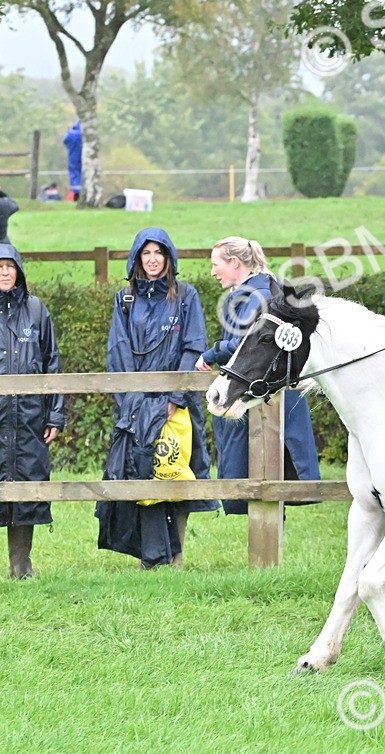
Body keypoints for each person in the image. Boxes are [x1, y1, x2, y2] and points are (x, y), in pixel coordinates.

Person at [95, 228, 219, 568]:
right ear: (137, 258)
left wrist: (174, 398)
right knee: (141, 471)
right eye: (145, 253)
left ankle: (175, 556)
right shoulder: (125, 299)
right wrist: (133, 401)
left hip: (176, 406)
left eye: (158, 253)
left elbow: (193, 346)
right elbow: (117, 350)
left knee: (176, 471)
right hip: (136, 405)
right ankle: (147, 557)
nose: (152, 259)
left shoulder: (186, 297)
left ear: (169, 258)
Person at [197, 236, 321, 514]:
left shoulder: (258, 296)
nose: (213, 271)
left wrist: (211, 353)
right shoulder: (251, 292)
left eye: (216, 265)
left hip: (263, 394)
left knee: (266, 465)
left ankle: (269, 540)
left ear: (235, 263)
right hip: (253, 389)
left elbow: (249, 345)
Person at [0, 244, 65, 579]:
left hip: (28, 419)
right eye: (0, 265)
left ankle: (21, 566)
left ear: (20, 270)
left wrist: (55, 415)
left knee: (27, 488)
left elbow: (52, 361)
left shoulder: (37, 310)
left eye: (10, 265)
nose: (5, 271)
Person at [63, 121, 82, 201]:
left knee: (74, 175)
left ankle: (76, 194)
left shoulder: (70, 134)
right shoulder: (85, 134)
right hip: (84, 158)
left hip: (73, 157)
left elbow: (65, 141)